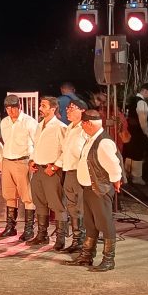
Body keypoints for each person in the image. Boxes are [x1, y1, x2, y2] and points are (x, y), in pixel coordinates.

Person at [65, 110, 124, 272]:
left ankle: (108, 259)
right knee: (90, 224)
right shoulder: (91, 139)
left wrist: (116, 181)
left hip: (99, 189)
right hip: (89, 188)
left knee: (105, 223)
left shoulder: (103, 142)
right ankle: (86, 256)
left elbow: (114, 165)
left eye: (83, 124)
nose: (82, 127)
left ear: (89, 124)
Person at [27, 96, 67, 247]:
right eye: (40, 105)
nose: (40, 108)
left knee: (57, 204)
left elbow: (66, 150)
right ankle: (42, 235)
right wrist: (32, 160)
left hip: (51, 171)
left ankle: (60, 238)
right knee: (39, 203)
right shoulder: (39, 125)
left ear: (53, 109)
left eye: (43, 106)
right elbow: (36, 146)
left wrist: (56, 166)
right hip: (38, 170)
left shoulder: (60, 127)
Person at [0, 95, 37, 240]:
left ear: (20, 107)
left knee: (27, 196)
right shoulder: (4, 122)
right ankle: (10, 227)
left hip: (23, 160)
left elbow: (37, 142)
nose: (11, 111)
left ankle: (29, 229)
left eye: (13, 107)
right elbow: (6, 142)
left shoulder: (29, 122)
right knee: (9, 195)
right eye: (8, 108)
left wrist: (33, 160)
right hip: (8, 160)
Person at [59, 98, 89, 253]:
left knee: (81, 207)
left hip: (81, 173)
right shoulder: (69, 128)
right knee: (71, 207)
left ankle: (84, 241)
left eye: (72, 108)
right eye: (68, 108)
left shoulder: (85, 128)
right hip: (69, 171)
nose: (68, 110)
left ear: (82, 111)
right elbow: (65, 152)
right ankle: (76, 240)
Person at [124, 83, 148, 185]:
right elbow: (143, 121)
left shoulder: (131, 101)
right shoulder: (141, 103)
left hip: (129, 131)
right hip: (138, 132)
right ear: (146, 91)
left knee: (129, 152)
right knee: (138, 154)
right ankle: (136, 177)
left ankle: (127, 174)